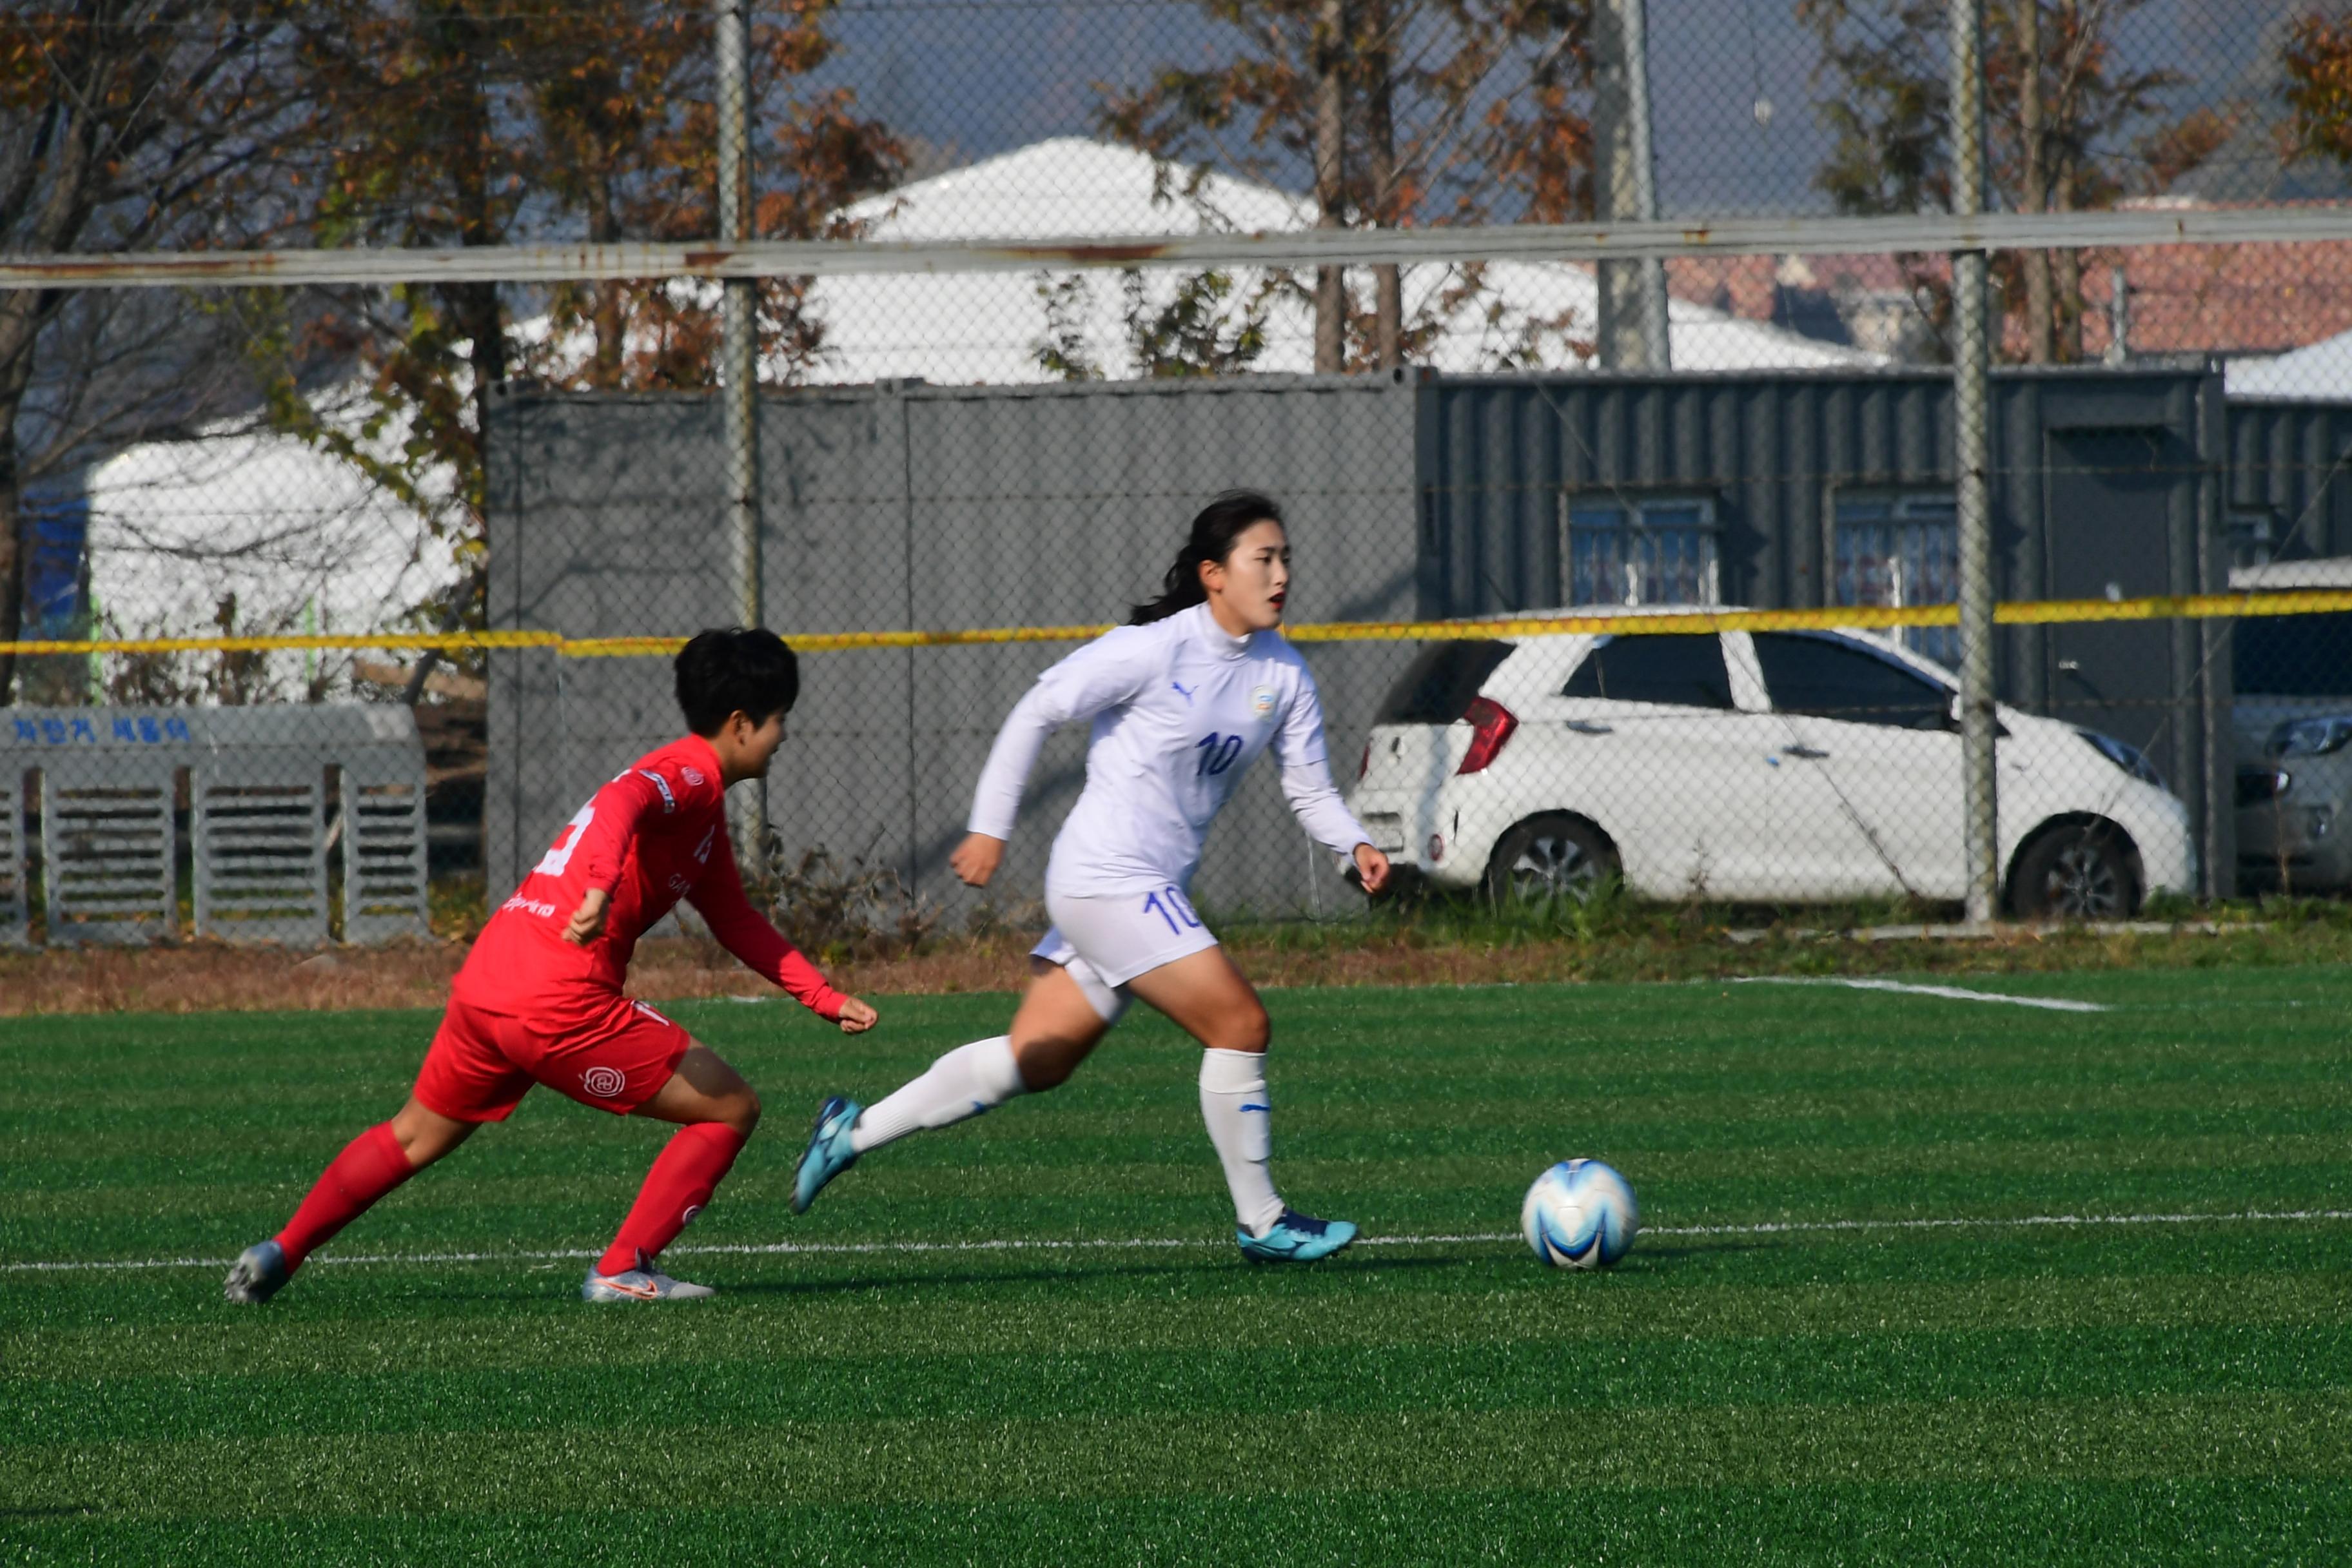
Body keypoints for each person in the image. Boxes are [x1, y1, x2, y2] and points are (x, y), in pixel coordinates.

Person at [789, 491, 1389, 1260]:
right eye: (1262, 559)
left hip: (1143, 888)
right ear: (1214, 573)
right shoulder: (1154, 649)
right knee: (1239, 1024)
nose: (1280, 575)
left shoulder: (1286, 674)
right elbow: (1038, 708)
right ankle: (1263, 1221)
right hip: (1106, 876)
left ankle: (853, 1130)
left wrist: (1353, 847)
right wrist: (989, 828)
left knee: (1035, 1058)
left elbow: (1308, 787)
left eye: (1285, 560)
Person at [224, 629, 878, 1306]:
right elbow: (625, 801)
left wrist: (824, 996)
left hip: (493, 979)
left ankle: (281, 1249)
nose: (783, 736)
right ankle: (623, 1268)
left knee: (414, 1134)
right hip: (557, 996)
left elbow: (736, 920)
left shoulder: (703, 812)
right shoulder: (686, 772)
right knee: (730, 1107)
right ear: (742, 724)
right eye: (779, 721)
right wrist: (599, 887)